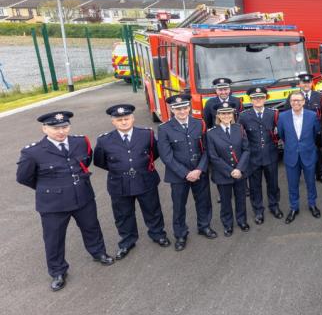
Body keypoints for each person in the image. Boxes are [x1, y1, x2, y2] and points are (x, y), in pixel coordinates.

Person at [16, 111, 114, 291]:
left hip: (83, 196)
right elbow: (24, 177)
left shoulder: (80, 142)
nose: (61, 131)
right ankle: (57, 271)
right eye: (55, 128)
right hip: (53, 204)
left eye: (64, 127)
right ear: (44, 128)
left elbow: (86, 160)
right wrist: (50, 188)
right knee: (54, 238)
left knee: (92, 227)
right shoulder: (33, 151)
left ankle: (98, 253)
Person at [93, 104, 169, 260]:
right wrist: (121, 169)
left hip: (145, 179)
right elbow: (100, 161)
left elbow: (154, 153)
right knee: (123, 214)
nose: (123, 122)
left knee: (152, 210)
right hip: (119, 183)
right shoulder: (104, 140)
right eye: (119, 120)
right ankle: (127, 241)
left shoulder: (146, 134)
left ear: (133, 118)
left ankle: (158, 234)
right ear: (113, 121)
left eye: (126, 118)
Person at [158, 94, 216, 250]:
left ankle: (204, 226)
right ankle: (181, 234)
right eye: (178, 109)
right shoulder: (164, 128)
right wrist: (185, 173)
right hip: (178, 175)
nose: (182, 111)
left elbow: (206, 149)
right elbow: (166, 156)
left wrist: (199, 169)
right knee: (179, 206)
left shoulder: (199, 123)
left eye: (184, 108)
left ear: (189, 108)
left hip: (199, 172)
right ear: (172, 109)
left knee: (204, 201)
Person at [207, 102, 251, 236]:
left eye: (229, 113)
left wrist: (239, 169)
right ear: (218, 116)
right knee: (225, 201)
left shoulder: (239, 128)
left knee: (241, 198)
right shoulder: (211, 133)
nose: (226, 116)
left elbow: (246, 150)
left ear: (233, 114)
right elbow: (213, 157)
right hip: (223, 174)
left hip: (240, 172)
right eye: (223, 113)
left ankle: (242, 220)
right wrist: (230, 171)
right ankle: (227, 224)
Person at [239, 87, 282, 224]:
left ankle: (274, 206)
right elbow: (241, 138)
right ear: (250, 100)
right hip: (253, 157)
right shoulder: (244, 116)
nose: (258, 100)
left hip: (270, 154)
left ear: (265, 98)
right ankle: (258, 210)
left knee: (273, 183)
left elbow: (279, 132)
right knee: (255, 186)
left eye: (261, 97)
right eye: (255, 98)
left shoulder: (273, 114)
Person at [277, 91, 321, 223]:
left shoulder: (312, 116)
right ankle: (294, 208)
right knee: (292, 184)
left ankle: (312, 204)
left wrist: (305, 146)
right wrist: (292, 145)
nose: (296, 103)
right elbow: (282, 135)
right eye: (293, 100)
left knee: (311, 182)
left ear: (303, 102)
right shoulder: (283, 117)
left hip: (308, 154)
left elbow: (315, 134)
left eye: (298, 100)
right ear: (290, 102)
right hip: (291, 155)